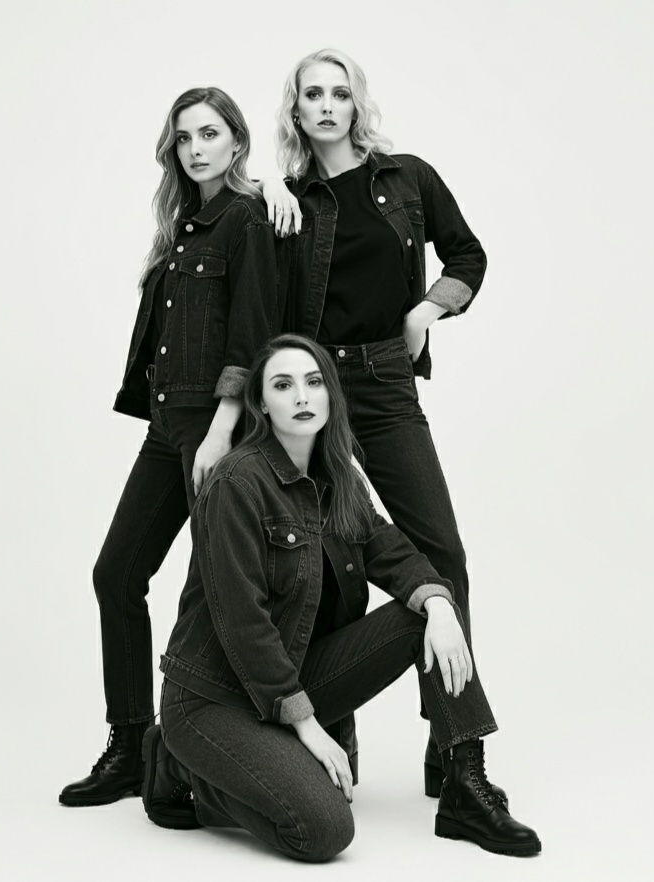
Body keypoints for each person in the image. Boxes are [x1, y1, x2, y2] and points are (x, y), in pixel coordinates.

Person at [142, 334, 541, 860]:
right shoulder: (236, 483)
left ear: (331, 394)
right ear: (261, 403)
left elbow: (391, 552)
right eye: (282, 385)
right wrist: (306, 726)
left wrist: (440, 605)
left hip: (291, 678)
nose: (301, 397)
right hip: (215, 697)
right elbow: (244, 625)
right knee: (324, 829)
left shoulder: (339, 479)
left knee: (428, 614)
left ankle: (465, 785)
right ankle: (181, 767)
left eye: (313, 382)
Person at [262, 49, 490, 794]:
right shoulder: (289, 201)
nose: (327, 105)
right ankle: (333, 737)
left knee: (441, 554)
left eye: (339, 93)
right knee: (327, 563)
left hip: (387, 382)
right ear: (296, 110)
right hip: (315, 389)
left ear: (356, 104)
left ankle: (456, 752)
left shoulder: (407, 178)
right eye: (312, 95)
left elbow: (468, 255)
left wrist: (426, 311)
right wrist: (268, 188)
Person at [59, 88, 279, 806]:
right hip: (166, 426)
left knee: (213, 596)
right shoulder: (183, 224)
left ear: (237, 141)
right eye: (184, 137)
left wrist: (221, 430)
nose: (195, 148)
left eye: (209, 134)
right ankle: (130, 744)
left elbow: (252, 332)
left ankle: (198, 758)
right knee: (117, 574)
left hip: (216, 426)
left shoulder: (245, 218)